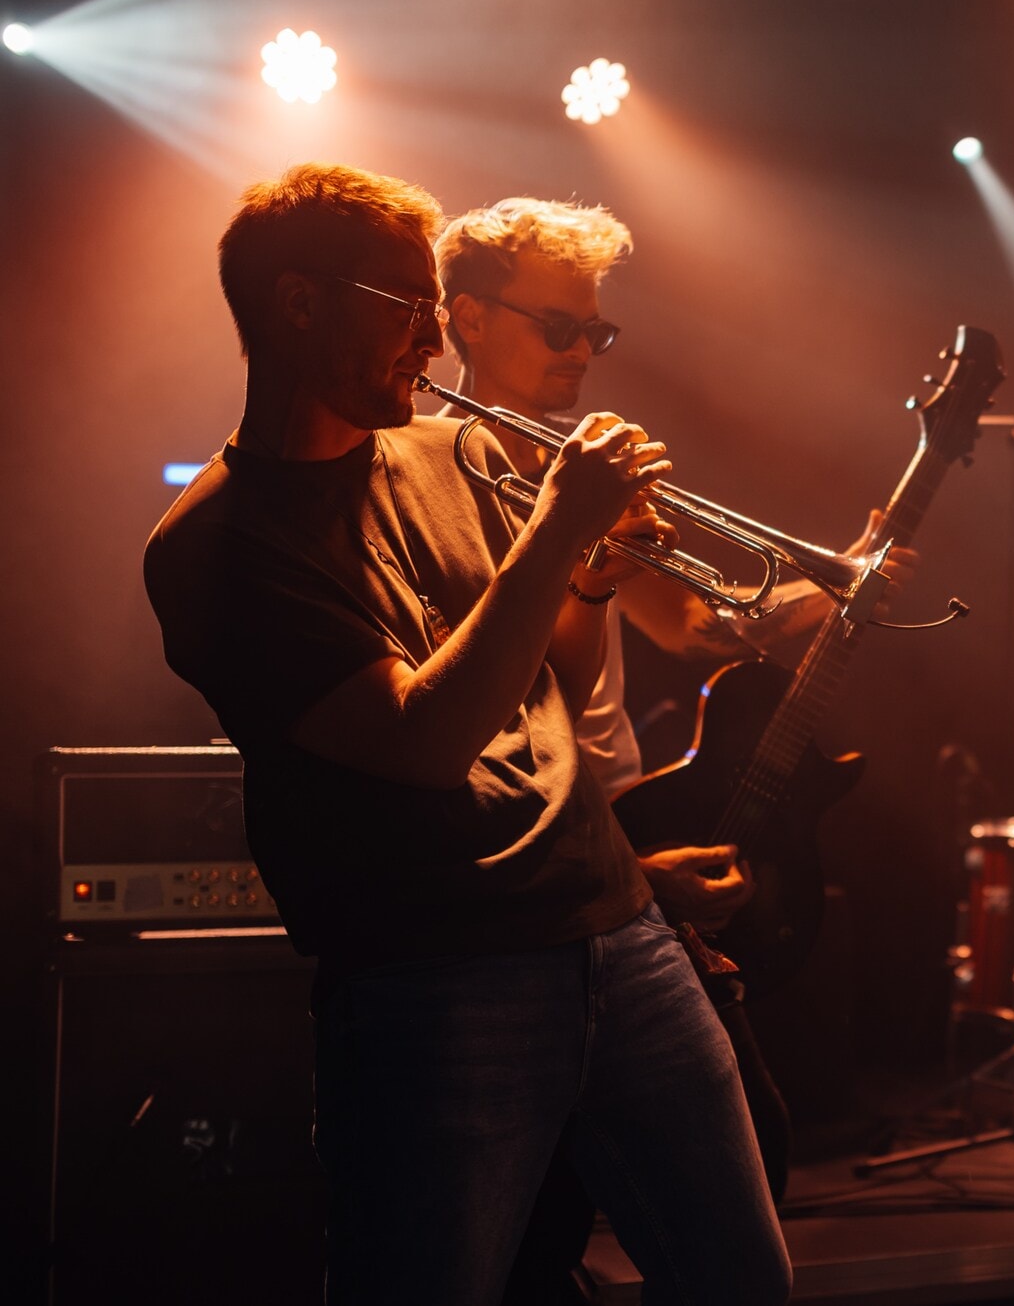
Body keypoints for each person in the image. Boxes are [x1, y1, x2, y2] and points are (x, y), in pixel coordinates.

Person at [141, 163, 791, 1306]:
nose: (438, 341)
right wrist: (554, 538)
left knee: (743, 1283)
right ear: (298, 302)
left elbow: (546, 679)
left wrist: (586, 578)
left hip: (617, 934)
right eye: (404, 303)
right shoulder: (216, 547)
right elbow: (425, 742)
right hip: (435, 984)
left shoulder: (452, 453)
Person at [432, 196, 915, 1296]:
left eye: (595, 333)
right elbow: (490, 704)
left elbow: (694, 624)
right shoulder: (433, 481)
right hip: (534, 870)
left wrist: (835, 581)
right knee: (533, 1229)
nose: (582, 354)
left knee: (750, 1156)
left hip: (622, 841)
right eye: (558, 327)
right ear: (465, 318)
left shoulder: (589, 469)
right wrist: (577, 548)